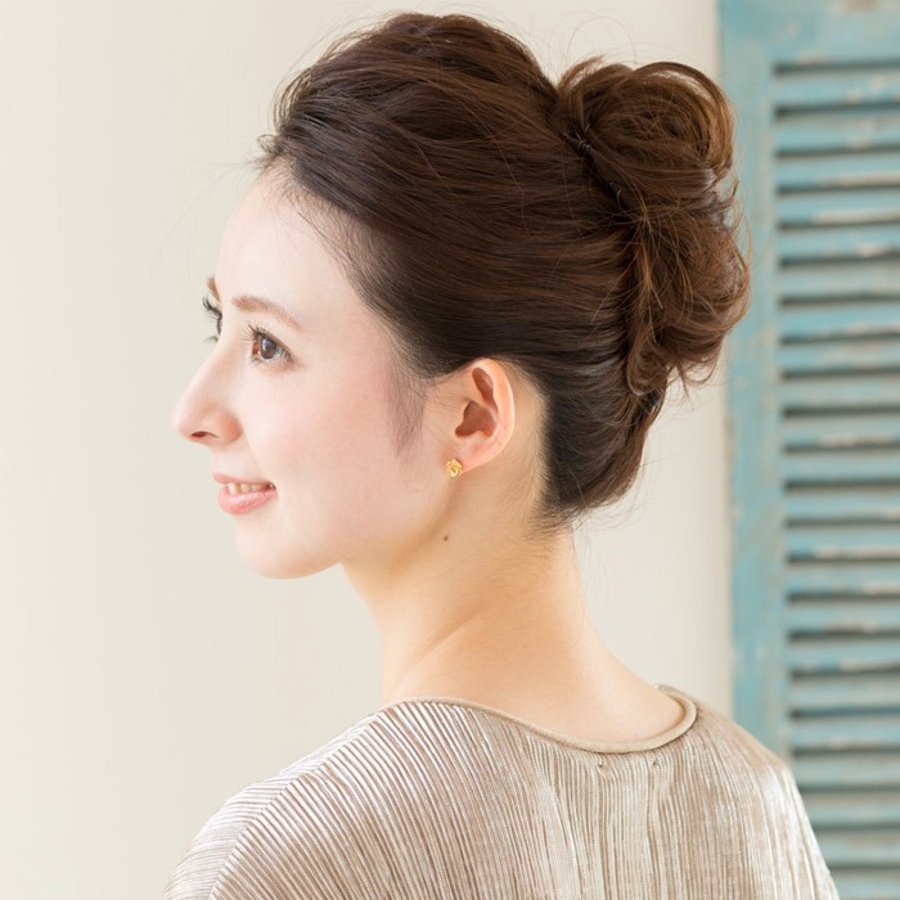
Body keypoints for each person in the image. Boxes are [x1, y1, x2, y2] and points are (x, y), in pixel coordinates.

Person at [165, 11, 838, 899]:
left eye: (268, 345)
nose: (193, 413)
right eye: (220, 325)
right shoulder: (754, 802)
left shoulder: (289, 862)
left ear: (474, 417)